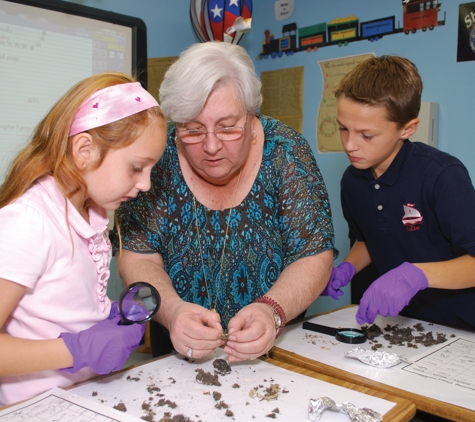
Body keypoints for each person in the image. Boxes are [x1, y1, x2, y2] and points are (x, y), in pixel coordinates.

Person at [115, 41, 335, 363]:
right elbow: (137, 258)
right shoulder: (157, 161)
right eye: (191, 130)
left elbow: (313, 255)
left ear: (251, 114)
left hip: (276, 353)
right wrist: (173, 312)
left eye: (228, 127)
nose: (211, 146)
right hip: (180, 356)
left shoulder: (286, 153)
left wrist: (272, 310)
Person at [0, 72, 167, 405]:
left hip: (84, 396)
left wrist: (105, 317)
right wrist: (77, 348)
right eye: (137, 168)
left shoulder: (93, 213)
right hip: (37, 407)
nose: (146, 184)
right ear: (84, 150)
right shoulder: (29, 221)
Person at [322, 55, 475, 330]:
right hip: (397, 322)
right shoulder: (353, 181)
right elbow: (369, 239)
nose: (350, 145)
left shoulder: (442, 175)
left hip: (457, 326)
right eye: (344, 128)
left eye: (366, 135)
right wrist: (347, 269)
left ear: (407, 128)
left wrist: (415, 275)